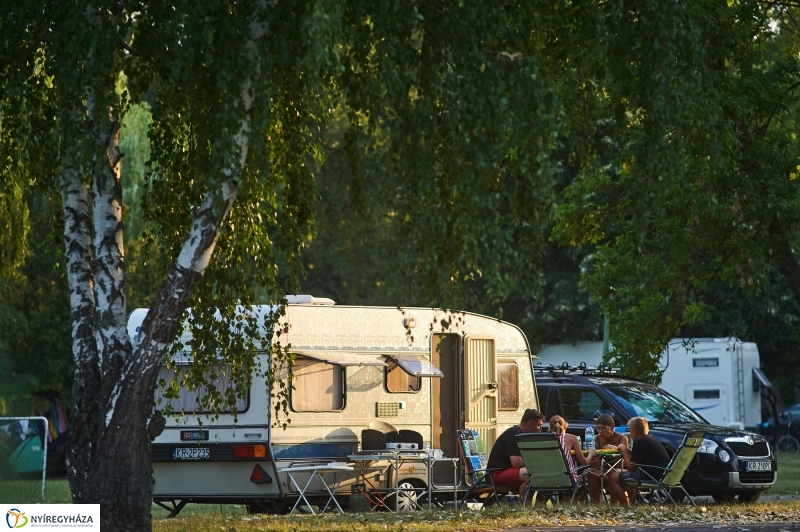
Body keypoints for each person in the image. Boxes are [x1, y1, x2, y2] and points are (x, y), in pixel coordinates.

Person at [606, 417, 671, 506]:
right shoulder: (649, 440)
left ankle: (625, 506)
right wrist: (627, 450)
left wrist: (624, 449)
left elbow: (631, 468)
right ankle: (629, 504)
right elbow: (638, 455)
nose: (630, 433)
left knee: (612, 477)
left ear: (635, 431)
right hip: (661, 474)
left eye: (630, 431)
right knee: (620, 474)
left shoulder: (639, 442)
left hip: (651, 476)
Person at [486, 408, 544, 498]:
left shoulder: (521, 434)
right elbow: (516, 462)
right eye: (538, 425)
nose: (540, 429)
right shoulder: (513, 434)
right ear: (530, 424)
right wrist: (535, 463)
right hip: (496, 474)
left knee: (538, 473)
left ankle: (534, 505)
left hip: (506, 471)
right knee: (530, 475)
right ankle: (523, 505)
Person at [585, 413, 628, 503]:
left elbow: (624, 461)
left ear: (612, 427)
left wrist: (616, 449)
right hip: (602, 468)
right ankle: (597, 503)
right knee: (589, 473)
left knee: (614, 474)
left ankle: (614, 504)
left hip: (619, 468)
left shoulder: (622, 438)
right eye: (598, 428)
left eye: (604, 428)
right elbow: (593, 463)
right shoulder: (595, 439)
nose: (600, 431)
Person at [549, 415, 595, 484]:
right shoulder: (571, 438)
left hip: (547, 480)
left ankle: (566, 495)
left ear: (550, 428)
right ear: (564, 426)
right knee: (589, 476)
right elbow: (585, 463)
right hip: (568, 480)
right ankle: (572, 495)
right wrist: (591, 453)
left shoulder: (543, 439)